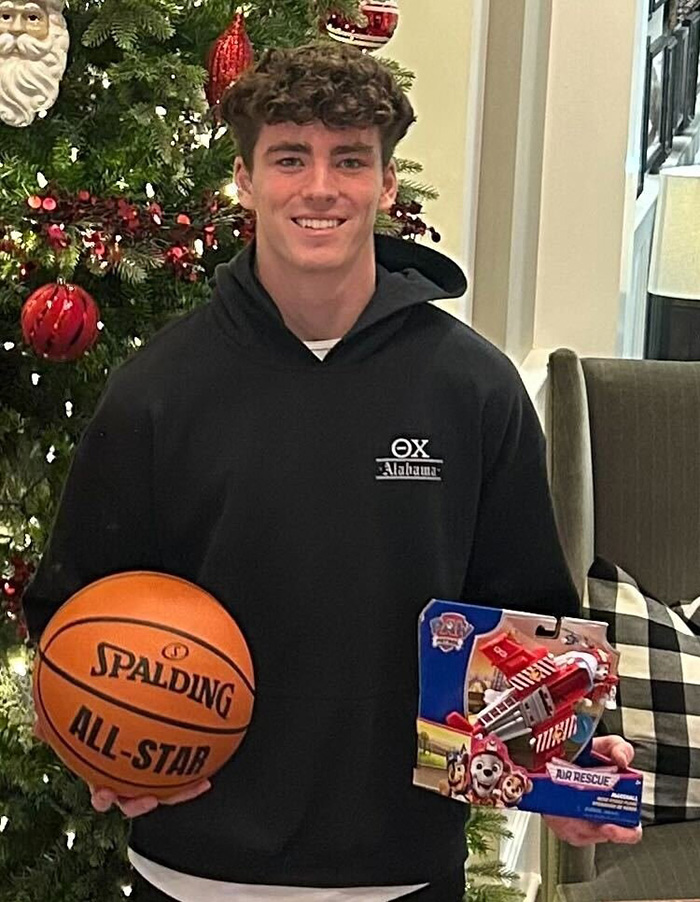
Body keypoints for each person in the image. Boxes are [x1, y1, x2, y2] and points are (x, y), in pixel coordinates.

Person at [24, 42, 641, 902]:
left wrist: (564, 764)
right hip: (187, 864)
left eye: (350, 160)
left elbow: (527, 621)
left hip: (400, 871)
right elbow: (69, 607)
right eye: (289, 158)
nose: (320, 188)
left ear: (387, 184)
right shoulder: (156, 390)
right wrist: (98, 748)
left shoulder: (473, 388)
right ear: (244, 178)